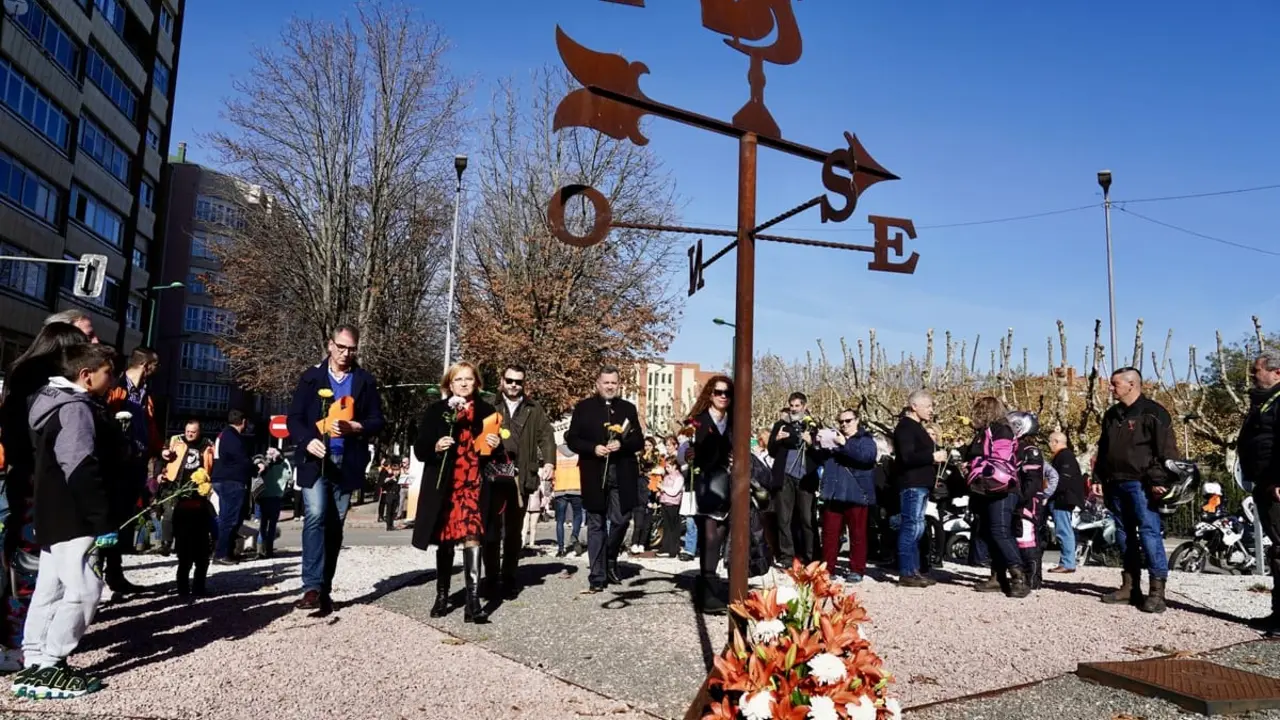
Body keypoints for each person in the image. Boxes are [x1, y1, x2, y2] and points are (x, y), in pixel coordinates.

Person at [12, 344, 122, 698]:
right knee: (85, 588)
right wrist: (101, 520)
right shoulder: (75, 410)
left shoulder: (51, 403)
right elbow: (79, 466)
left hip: (53, 511)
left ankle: (34, 658)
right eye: (108, 373)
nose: (112, 380)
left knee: (51, 586)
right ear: (86, 375)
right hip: (75, 514)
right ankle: (52, 663)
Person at [0, 323, 88, 670]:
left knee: (22, 562)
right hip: (43, 483)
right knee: (37, 565)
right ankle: (23, 647)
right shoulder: (50, 390)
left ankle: (16, 639)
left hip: (21, 478)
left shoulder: (18, 376)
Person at [287, 325, 384, 615]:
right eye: (341, 347)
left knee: (334, 525)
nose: (345, 353)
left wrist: (359, 427)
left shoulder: (364, 381)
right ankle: (311, 587)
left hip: (346, 462)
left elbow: (378, 420)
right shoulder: (311, 378)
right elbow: (293, 419)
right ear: (330, 345)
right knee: (315, 515)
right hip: (316, 462)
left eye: (351, 349)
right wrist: (307, 441)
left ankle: (324, 588)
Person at [411, 361, 498, 623]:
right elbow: (420, 448)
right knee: (447, 539)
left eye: (468, 380)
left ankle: (473, 602)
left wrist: (495, 443)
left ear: (476, 384)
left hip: (474, 483)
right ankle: (442, 594)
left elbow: (497, 453)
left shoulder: (487, 411)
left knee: (473, 536)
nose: (463, 384)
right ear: (449, 384)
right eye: (458, 380)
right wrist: (436, 446)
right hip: (446, 484)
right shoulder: (437, 410)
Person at [1095, 367, 1179, 614]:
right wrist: (1099, 476)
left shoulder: (1154, 413)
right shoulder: (1111, 415)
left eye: (1115, 384)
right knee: (1123, 534)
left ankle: (1157, 592)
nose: (1111, 388)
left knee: (1149, 532)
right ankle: (1130, 587)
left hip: (1141, 483)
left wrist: (1158, 479)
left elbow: (1166, 451)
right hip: (1115, 482)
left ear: (1132, 384)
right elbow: (1104, 448)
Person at [566, 366, 644, 594]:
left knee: (621, 519)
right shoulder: (584, 408)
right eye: (606, 382)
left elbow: (638, 439)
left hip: (621, 474)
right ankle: (597, 575)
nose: (610, 386)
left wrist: (623, 444)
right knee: (596, 523)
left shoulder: (628, 408)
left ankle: (610, 557)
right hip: (594, 473)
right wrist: (593, 448)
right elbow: (572, 439)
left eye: (614, 383)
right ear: (597, 384)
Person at [485, 365, 556, 600]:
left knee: (514, 531)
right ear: (502, 380)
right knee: (492, 530)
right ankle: (491, 577)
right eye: (510, 380)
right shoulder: (489, 404)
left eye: (518, 381)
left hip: (521, 475)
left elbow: (546, 435)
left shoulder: (533, 408)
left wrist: (549, 462)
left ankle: (509, 577)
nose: (514, 385)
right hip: (493, 475)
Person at [103, 347, 162, 593]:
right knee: (110, 519)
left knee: (124, 519)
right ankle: (102, 573)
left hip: (137, 462)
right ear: (146, 365)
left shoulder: (145, 394)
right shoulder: (116, 388)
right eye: (154, 367)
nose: (155, 372)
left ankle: (115, 575)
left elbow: (149, 426)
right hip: (116, 463)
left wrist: (160, 449)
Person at [965, 397, 1031, 598]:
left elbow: (999, 459)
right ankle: (998, 575)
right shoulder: (987, 432)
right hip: (987, 488)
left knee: (1000, 531)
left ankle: (1019, 575)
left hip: (1001, 487)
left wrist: (977, 465)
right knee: (990, 532)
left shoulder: (1000, 430)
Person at [679, 375, 734, 613]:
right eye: (718, 392)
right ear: (710, 394)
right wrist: (687, 454)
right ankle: (709, 591)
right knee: (710, 536)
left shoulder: (735, 422)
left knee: (720, 536)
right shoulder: (697, 421)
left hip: (729, 484)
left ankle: (712, 584)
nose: (723, 397)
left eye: (727, 393)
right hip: (705, 484)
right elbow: (683, 450)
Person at [1240, 350, 1280, 635]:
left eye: (1257, 370)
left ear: (1277, 372)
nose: (1253, 375)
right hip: (1263, 482)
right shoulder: (1264, 403)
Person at [894, 390, 948, 587]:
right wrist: (932, 457)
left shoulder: (917, 427)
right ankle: (906, 571)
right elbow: (907, 457)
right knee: (911, 526)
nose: (931, 410)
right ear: (914, 406)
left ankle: (914, 570)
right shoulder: (905, 427)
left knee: (918, 526)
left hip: (921, 484)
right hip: (911, 484)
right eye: (928, 406)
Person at [816, 410, 877, 583]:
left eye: (848, 421)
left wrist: (844, 445)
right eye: (841, 421)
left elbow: (866, 458)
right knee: (829, 534)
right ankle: (827, 569)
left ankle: (856, 569)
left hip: (856, 493)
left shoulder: (866, 440)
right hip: (834, 493)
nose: (844, 424)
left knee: (857, 534)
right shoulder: (833, 440)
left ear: (857, 420)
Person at [767, 392, 820, 567]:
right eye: (792, 405)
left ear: (804, 406)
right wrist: (776, 439)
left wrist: (811, 442)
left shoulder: (813, 426)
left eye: (797, 405)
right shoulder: (781, 425)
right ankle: (786, 556)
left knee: (807, 518)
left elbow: (821, 453)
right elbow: (772, 451)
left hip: (805, 477)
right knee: (784, 518)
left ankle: (810, 555)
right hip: (784, 476)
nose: (794, 409)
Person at [160, 420, 215, 554]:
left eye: (193, 432)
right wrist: (164, 455)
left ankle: (194, 544)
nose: (189, 434)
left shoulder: (207, 444)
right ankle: (166, 543)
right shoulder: (176, 440)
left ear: (199, 432)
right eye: (187, 431)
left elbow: (214, 462)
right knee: (169, 514)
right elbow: (163, 453)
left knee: (197, 516)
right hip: (175, 483)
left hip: (197, 487)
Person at [212, 410, 256, 565]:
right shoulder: (233, 437)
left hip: (223, 479)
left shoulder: (224, 435)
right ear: (243, 421)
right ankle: (221, 554)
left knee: (228, 518)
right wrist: (256, 468)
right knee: (230, 519)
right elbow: (242, 460)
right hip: (231, 481)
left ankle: (227, 551)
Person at [1047, 431, 1085, 574]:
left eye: (1050, 442)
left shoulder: (1065, 456)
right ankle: (1067, 561)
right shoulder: (1064, 456)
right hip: (1062, 497)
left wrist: (1048, 494)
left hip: (1063, 498)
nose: (1049, 445)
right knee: (1063, 529)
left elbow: (1062, 480)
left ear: (1056, 441)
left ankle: (1068, 562)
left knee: (1063, 530)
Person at [255, 447, 290, 557]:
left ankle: (260, 550)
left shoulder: (264, 463)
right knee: (272, 525)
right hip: (276, 496)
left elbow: (257, 465)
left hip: (264, 496)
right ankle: (269, 550)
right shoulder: (284, 464)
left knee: (263, 524)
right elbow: (288, 477)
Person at [552, 445, 585, 558]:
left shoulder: (556, 451)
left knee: (560, 520)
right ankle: (574, 534)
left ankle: (561, 549)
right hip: (576, 487)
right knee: (578, 514)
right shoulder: (579, 451)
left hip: (560, 487)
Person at [379, 458, 400, 531]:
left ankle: (392, 524)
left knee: (393, 511)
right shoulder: (389, 476)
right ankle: (388, 526)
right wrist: (391, 478)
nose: (396, 472)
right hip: (389, 495)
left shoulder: (398, 478)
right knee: (389, 511)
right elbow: (383, 484)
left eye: (397, 470)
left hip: (396, 495)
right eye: (395, 470)